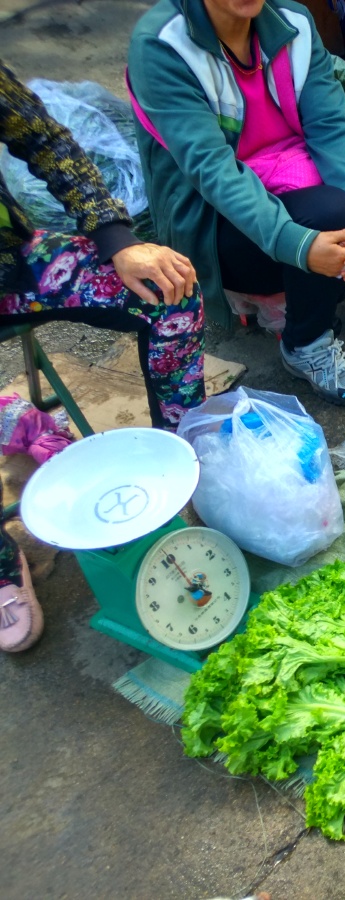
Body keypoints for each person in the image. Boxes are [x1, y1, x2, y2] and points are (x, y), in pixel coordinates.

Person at [128, 0, 345, 408]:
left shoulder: (291, 22)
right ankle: (306, 343)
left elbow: (332, 127)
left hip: (302, 176)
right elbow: (213, 171)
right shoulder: (163, 46)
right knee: (329, 215)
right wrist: (300, 245)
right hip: (220, 224)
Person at [0, 58, 207, 652]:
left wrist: (119, 242)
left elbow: (44, 140)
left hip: (10, 267)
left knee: (169, 293)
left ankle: (182, 457)